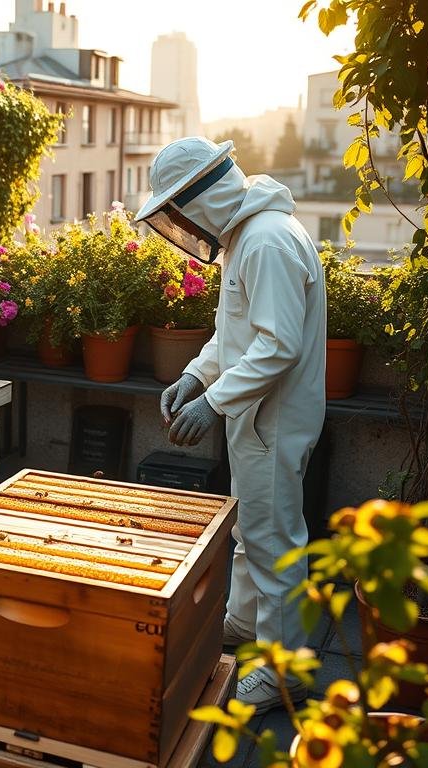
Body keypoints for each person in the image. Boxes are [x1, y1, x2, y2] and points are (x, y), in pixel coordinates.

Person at [135, 137, 326, 713]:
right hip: (256, 418)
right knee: (251, 533)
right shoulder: (248, 237)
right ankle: (244, 625)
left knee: (275, 546)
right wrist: (195, 376)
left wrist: (210, 404)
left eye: (178, 209)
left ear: (200, 199)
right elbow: (234, 334)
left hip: (271, 421)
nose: (179, 223)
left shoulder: (266, 242)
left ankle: (284, 676)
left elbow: (277, 346)